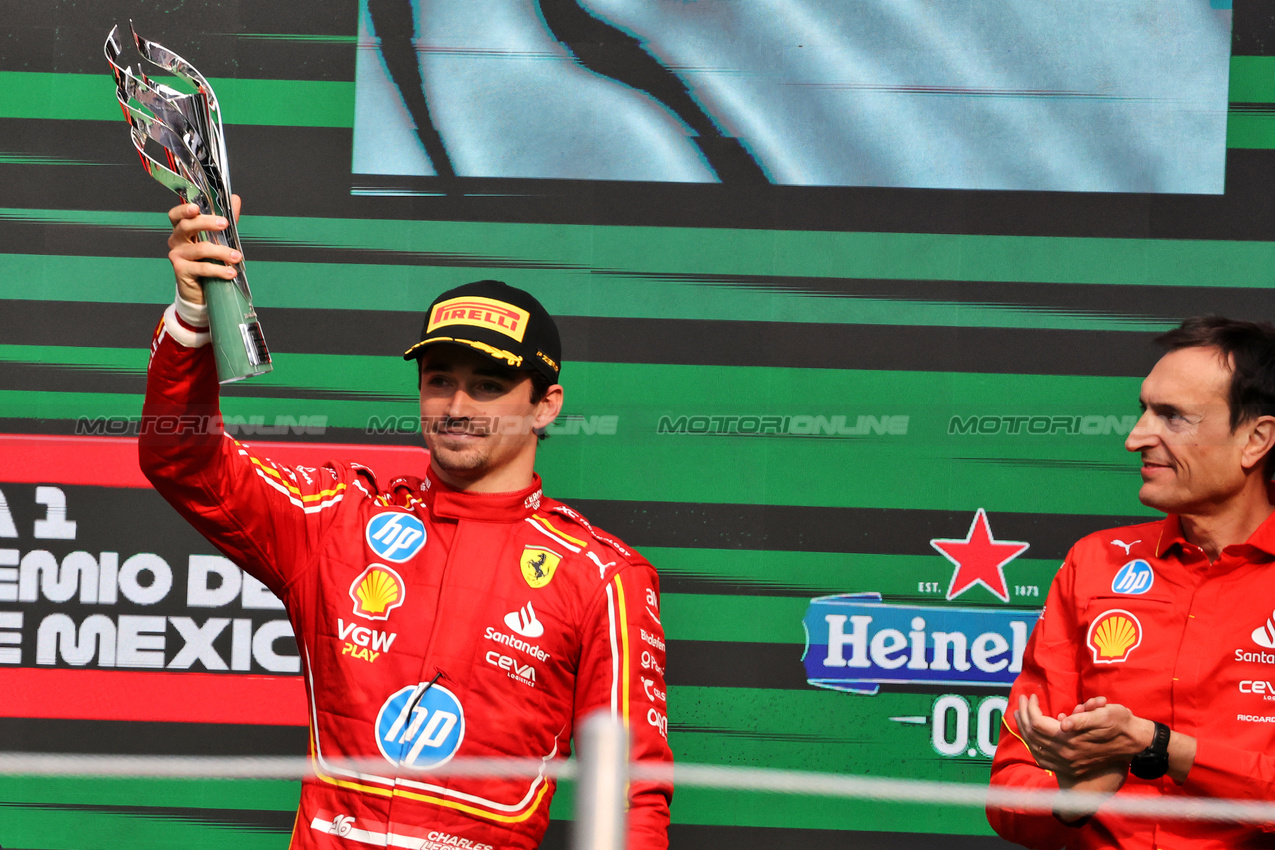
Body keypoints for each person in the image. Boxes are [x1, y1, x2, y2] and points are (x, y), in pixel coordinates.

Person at [140, 198, 673, 850]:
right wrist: (194, 318)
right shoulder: (339, 520)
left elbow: (627, 793)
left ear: (545, 405)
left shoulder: (603, 578)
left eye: (487, 386)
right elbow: (183, 460)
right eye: (439, 380)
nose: (455, 405)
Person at [987, 316, 1275, 848]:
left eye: (1172, 417)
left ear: (1256, 439)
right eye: (1142, 411)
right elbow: (1010, 791)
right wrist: (1071, 798)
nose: (1135, 437)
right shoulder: (1093, 563)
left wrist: (1161, 747)